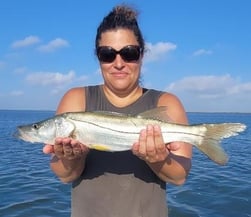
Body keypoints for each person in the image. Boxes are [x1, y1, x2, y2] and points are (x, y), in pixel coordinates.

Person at [43, 4, 192, 217]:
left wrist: (158, 159)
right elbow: (66, 176)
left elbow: (179, 177)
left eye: (129, 53)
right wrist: (72, 158)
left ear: (142, 55)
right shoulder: (75, 98)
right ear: (98, 57)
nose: (119, 63)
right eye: (107, 54)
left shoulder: (167, 102)